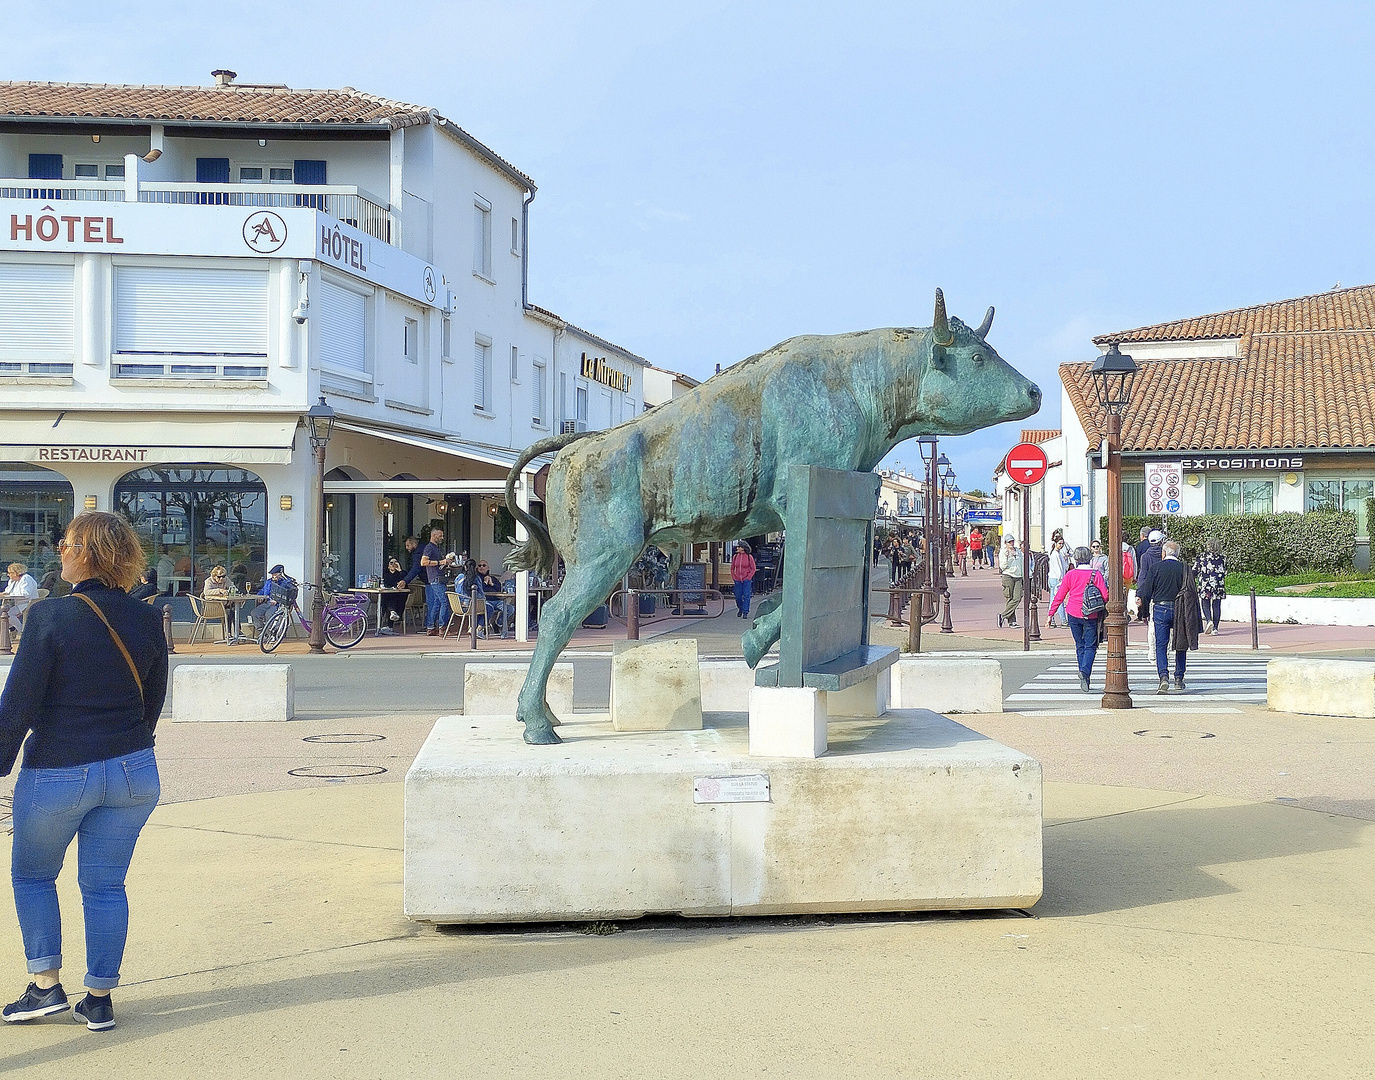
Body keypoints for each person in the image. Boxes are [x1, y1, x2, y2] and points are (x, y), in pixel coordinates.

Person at [0, 511, 167, 1032]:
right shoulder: (146, 617)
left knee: (32, 874)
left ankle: (45, 986)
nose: (60, 550)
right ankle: (99, 999)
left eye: (68, 543)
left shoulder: (52, 616)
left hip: (61, 769)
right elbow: (153, 700)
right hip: (134, 769)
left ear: (88, 551)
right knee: (104, 886)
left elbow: (18, 705)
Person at [1047, 546, 1108, 692]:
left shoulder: (1070, 574)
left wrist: (1051, 614)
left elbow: (1060, 595)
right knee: (1090, 645)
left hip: (1073, 612)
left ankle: (1083, 673)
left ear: (1076, 559)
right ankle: (1085, 672)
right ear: (1089, 558)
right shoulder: (1096, 574)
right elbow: (1105, 595)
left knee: (1079, 645)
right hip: (1091, 613)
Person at [1136, 539, 1192, 693]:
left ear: (1163, 553)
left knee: (1161, 644)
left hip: (1160, 608)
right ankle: (1179, 678)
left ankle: (1163, 676)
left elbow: (1146, 591)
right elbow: (1191, 592)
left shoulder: (1156, 568)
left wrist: (1144, 612)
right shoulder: (1184, 569)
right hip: (1180, 608)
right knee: (1181, 643)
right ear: (1178, 554)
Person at [421, 527, 452, 636]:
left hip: (437, 577)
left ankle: (430, 627)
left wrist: (445, 563)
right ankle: (442, 627)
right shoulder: (429, 548)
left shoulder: (435, 548)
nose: (442, 538)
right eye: (440, 536)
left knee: (437, 603)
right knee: (444, 601)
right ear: (434, 536)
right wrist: (440, 562)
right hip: (435, 578)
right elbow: (423, 562)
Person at [1194, 539, 1227, 635]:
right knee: (1216, 605)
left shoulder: (1202, 557)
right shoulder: (1223, 558)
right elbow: (1225, 571)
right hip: (1218, 585)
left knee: (1205, 603)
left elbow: (1195, 570)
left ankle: (1209, 620)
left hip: (1205, 584)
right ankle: (1215, 628)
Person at [4, 564, 39, 635]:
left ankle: (22, 632)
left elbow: (25, 594)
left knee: (8, 614)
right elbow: (8, 591)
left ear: (16, 573)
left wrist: (10, 595)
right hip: (18, 603)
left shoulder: (26, 579)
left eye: (10, 573)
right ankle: (12, 629)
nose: (8, 575)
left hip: (28, 603)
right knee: (3, 612)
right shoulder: (13, 581)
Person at [998, 535, 1024, 628]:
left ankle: (1003, 615)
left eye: (1012, 541)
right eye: (1009, 542)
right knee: (1009, 598)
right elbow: (1003, 566)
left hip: (1018, 576)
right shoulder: (1003, 552)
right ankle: (1012, 621)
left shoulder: (1018, 551)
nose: (1011, 543)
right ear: (1005, 543)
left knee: (1017, 598)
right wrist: (1007, 557)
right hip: (1008, 575)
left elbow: (1022, 563)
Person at [379, 556, 409, 634]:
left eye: (395, 562)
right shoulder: (386, 574)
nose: (393, 564)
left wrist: (399, 570)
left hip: (399, 595)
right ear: (388, 565)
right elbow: (387, 584)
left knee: (395, 599)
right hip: (389, 595)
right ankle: (393, 613)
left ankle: (393, 615)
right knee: (387, 597)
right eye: (391, 563)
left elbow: (404, 580)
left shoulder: (402, 573)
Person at [1045, 533, 1069, 628]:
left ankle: (1053, 619)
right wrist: (1062, 579)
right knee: (1058, 599)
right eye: (1059, 543)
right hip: (1056, 579)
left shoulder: (1058, 553)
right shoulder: (1055, 554)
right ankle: (1062, 620)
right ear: (1055, 543)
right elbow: (1059, 569)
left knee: (1054, 600)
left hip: (1054, 578)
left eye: (1062, 544)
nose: (1061, 545)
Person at [730, 541, 756, 619]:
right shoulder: (735, 557)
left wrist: (748, 577)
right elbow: (732, 568)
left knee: (746, 595)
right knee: (738, 596)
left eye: (739, 547)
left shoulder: (749, 557)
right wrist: (734, 577)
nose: (737, 548)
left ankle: (745, 611)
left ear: (743, 548)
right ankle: (740, 608)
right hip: (737, 579)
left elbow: (753, 568)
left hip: (746, 580)